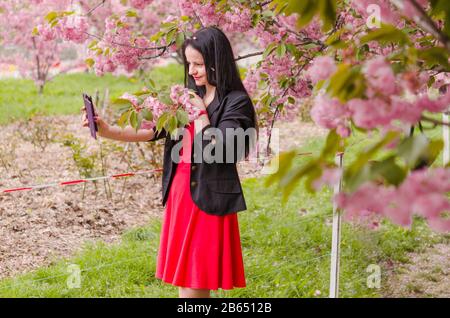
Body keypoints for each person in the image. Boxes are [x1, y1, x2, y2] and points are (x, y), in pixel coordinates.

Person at [81, 26, 257, 298]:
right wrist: (107, 130)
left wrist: (199, 112)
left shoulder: (235, 102)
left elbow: (221, 149)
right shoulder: (187, 97)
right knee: (186, 280)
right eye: (189, 64)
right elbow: (153, 131)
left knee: (195, 281)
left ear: (216, 62)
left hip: (208, 198)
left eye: (199, 64)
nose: (192, 71)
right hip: (180, 193)